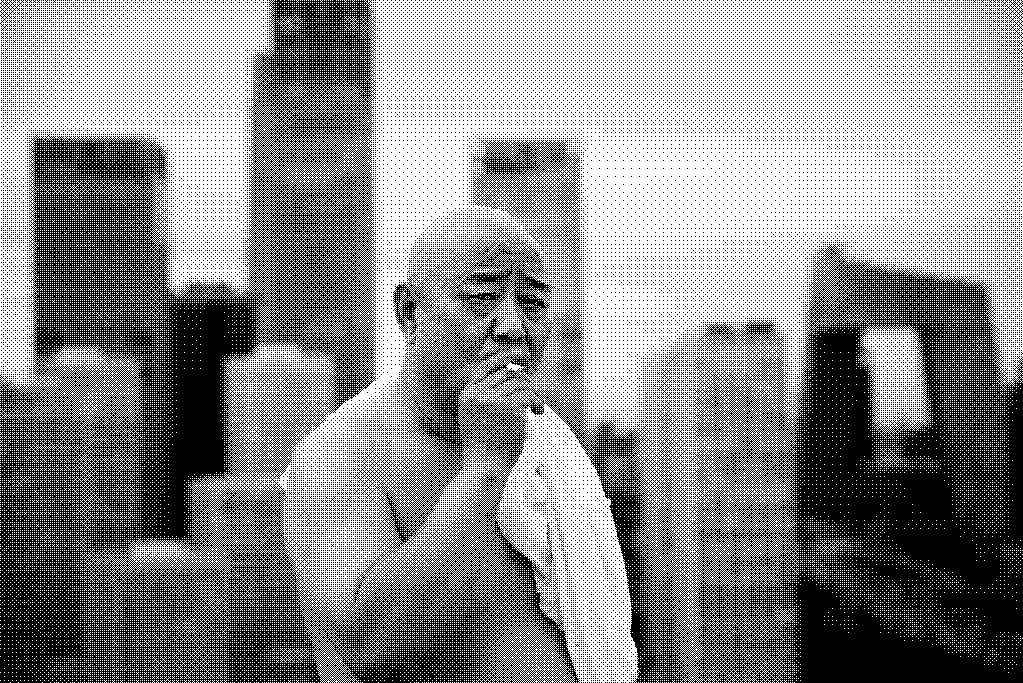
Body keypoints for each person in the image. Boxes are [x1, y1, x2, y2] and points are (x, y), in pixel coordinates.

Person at [280, 206, 635, 682]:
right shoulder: (340, 452)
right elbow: (365, 649)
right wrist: (488, 462)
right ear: (410, 313)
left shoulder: (548, 439)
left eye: (532, 303)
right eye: (481, 297)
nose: (512, 326)